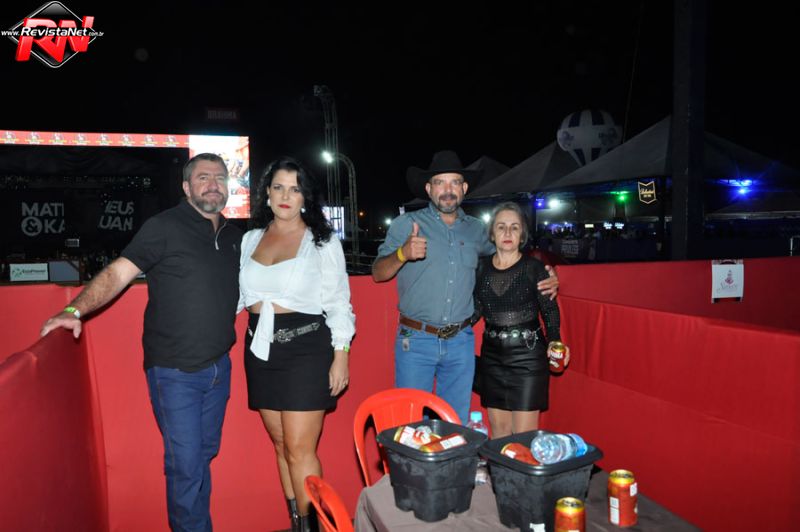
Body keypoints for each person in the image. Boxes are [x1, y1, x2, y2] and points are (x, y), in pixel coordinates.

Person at [40, 153, 242, 532]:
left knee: (202, 457)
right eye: (203, 178)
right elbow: (118, 273)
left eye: (219, 177)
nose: (213, 184)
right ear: (186, 188)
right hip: (175, 371)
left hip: (219, 367)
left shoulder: (234, 237)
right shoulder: (164, 226)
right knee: (186, 466)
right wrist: (74, 310)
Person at [372, 150, 558, 424]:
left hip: (460, 341)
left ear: (464, 188)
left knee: (454, 425)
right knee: (410, 424)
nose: (448, 190)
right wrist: (402, 253)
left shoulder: (477, 230)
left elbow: (509, 256)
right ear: (429, 189)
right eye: (440, 183)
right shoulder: (406, 225)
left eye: (455, 182)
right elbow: (378, 273)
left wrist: (546, 270)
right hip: (416, 340)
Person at [238, 157, 354, 532]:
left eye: (295, 188)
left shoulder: (322, 241)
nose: (286, 196)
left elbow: (338, 302)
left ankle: (316, 526)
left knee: (301, 449)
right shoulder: (250, 239)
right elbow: (238, 297)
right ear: (267, 194)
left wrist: (340, 355)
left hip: (306, 351)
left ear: (305, 196)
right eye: (278, 187)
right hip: (260, 350)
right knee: (281, 446)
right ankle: (298, 524)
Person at [473, 202, 570, 438]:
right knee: (499, 433)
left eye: (514, 227)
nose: (508, 232)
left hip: (528, 357)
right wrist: (447, 329)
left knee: (524, 436)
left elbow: (549, 310)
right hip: (492, 356)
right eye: (501, 227)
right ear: (492, 234)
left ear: (522, 235)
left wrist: (555, 341)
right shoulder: (480, 267)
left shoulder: (534, 268)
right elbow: (476, 309)